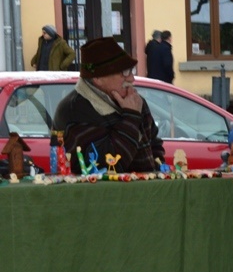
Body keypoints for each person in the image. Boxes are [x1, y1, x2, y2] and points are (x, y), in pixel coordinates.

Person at [53, 37, 164, 173]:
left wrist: (156, 169)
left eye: (131, 70)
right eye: (124, 72)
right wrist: (131, 118)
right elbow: (105, 166)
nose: (131, 78)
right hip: (108, 187)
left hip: (148, 186)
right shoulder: (74, 110)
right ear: (98, 78)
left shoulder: (134, 100)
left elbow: (154, 143)